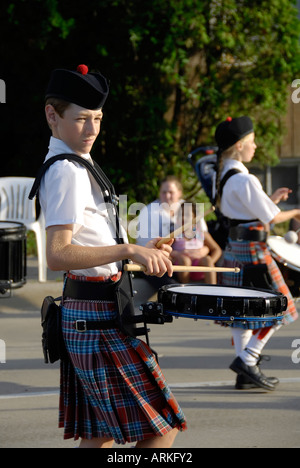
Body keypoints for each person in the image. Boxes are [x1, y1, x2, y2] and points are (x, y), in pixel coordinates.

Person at [38, 64, 187, 448]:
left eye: (98, 119)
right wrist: (127, 249)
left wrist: (140, 250)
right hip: (95, 316)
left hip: (93, 311)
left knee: (101, 434)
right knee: (162, 427)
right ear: (52, 116)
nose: (92, 130)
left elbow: (88, 236)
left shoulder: (75, 161)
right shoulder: (67, 170)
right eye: (82, 119)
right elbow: (57, 254)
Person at [214, 116, 299, 391]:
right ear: (239, 146)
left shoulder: (225, 175)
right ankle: (248, 360)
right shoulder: (245, 179)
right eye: (251, 142)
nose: (256, 146)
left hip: (235, 249)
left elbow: (246, 212)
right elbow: (272, 219)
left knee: (243, 313)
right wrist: (297, 212)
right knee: (282, 306)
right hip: (252, 251)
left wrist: (270, 200)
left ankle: (245, 371)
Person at [136, 176, 184, 289]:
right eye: (164, 192)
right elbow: (148, 247)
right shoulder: (149, 212)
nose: (167, 196)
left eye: (171, 192)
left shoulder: (189, 209)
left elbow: (203, 237)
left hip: (185, 259)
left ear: (179, 193)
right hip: (155, 261)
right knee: (171, 286)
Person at [171, 202, 222, 284]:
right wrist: (178, 254)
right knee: (185, 260)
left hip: (199, 266)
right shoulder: (174, 234)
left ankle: (213, 290)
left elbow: (217, 250)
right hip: (182, 266)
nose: (184, 217)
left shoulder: (201, 233)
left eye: (187, 215)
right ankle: (186, 290)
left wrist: (210, 263)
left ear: (194, 217)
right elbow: (165, 250)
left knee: (207, 259)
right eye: (181, 215)